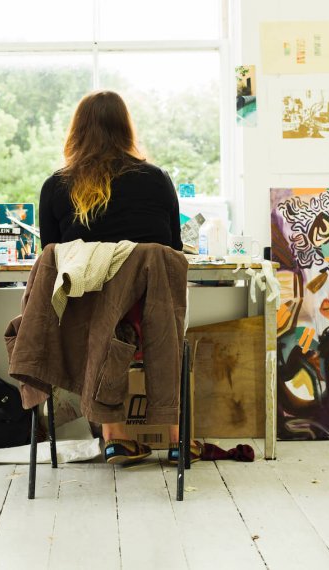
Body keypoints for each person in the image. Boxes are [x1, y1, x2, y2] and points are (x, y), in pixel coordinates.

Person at [38, 90, 198, 465]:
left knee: (100, 320)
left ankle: (114, 436)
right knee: (159, 301)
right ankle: (177, 438)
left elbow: (51, 259)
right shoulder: (157, 180)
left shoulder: (55, 188)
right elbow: (173, 251)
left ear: (76, 132)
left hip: (85, 332)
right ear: (126, 130)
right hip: (150, 327)